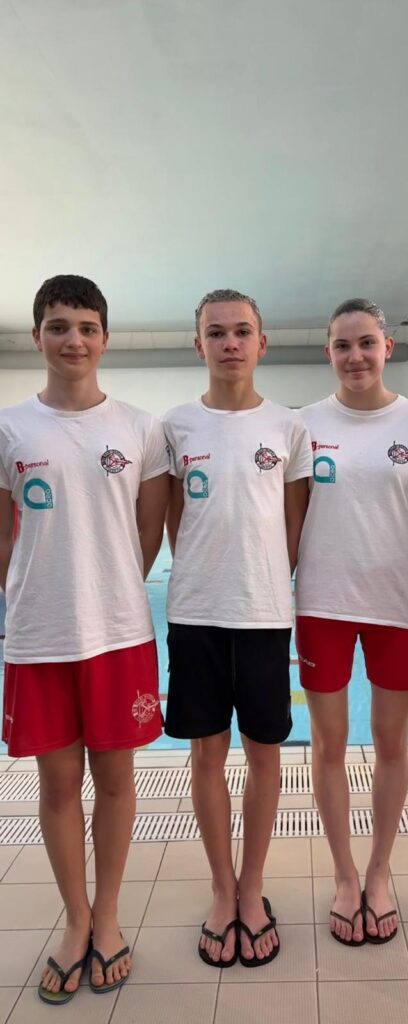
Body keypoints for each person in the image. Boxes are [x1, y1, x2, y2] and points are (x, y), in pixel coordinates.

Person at [0, 275, 169, 1003]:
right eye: (59, 326)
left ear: (105, 338)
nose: (74, 340)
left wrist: (109, 588)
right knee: (58, 783)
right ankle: (76, 920)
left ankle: (109, 916)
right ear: (37, 335)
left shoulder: (140, 428)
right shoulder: (10, 428)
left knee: (117, 780)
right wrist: (35, 594)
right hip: (40, 636)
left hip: (119, 633)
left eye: (87, 327)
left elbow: (148, 531)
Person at [163, 288, 311, 967]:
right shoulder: (174, 426)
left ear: (261, 343)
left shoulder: (287, 426)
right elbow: (175, 520)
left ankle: (253, 889)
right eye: (216, 332)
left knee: (264, 755)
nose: (229, 343)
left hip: (263, 614)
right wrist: (205, 572)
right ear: (198, 344)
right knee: (205, 757)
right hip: (195, 611)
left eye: (242, 331)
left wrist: (263, 581)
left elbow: (293, 525)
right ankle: (222, 891)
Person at [295, 298, 408, 945]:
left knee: (390, 744)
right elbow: (290, 518)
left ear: (386, 346)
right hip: (321, 604)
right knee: (327, 746)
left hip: (393, 606)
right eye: (342, 345)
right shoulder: (303, 424)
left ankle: (379, 871)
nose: (354, 356)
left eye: (365, 343)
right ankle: (344, 875)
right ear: (328, 352)